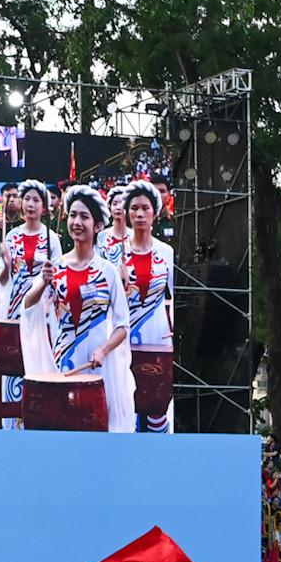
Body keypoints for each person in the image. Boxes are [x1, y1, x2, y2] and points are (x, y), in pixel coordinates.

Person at [22, 185, 136, 431]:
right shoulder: (55, 267)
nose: (77, 222)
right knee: (62, 423)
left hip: (99, 366)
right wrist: (42, 283)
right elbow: (28, 305)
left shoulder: (107, 271)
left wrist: (103, 350)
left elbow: (122, 326)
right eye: (73, 215)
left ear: (97, 226)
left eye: (84, 216)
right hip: (63, 361)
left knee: (95, 426)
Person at [0, 180, 59, 429]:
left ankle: (39, 422)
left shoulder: (51, 239)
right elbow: (3, 279)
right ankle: (12, 427)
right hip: (15, 311)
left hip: (42, 312)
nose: (31, 204)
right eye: (27, 199)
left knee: (38, 366)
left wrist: (48, 303)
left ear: (44, 206)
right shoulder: (12, 236)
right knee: (14, 366)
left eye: (36, 200)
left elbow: (57, 279)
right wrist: (6, 265)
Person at [120, 179, 175, 432]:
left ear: (155, 213)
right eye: (134, 208)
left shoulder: (166, 252)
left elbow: (177, 296)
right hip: (123, 338)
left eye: (145, 208)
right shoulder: (115, 253)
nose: (140, 214)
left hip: (157, 338)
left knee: (156, 403)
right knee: (127, 403)